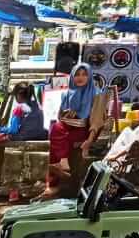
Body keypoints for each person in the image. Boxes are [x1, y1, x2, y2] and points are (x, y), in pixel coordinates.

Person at [42, 62, 99, 197]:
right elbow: (59, 116)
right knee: (56, 129)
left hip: (84, 131)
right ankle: (58, 170)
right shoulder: (67, 94)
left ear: (89, 77)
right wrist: (67, 114)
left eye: (84, 74)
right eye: (77, 74)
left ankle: (60, 168)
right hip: (67, 128)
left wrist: (89, 141)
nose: (80, 77)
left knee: (59, 134)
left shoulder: (96, 95)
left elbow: (96, 121)